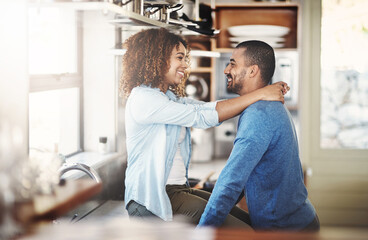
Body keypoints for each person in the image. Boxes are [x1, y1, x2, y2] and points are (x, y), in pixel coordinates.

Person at [120, 28, 289, 227]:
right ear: (158, 57)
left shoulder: (167, 98)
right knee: (244, 232)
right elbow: (201, 117)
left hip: (177, 190)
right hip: (151, 199)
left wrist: (261, 93)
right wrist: (261, 93)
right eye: (180, 57)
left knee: (249, 223)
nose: (185, 65)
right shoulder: (143, 98)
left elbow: (207, 108)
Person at [198, 40, 320, 231]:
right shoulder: (264, 106)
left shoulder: (259, 114)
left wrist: (202, 232)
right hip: (296, 223)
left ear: (253, 71)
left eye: (232, 63)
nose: (226, 70)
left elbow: (231, 181)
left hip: (287, 231)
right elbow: (239, 180)